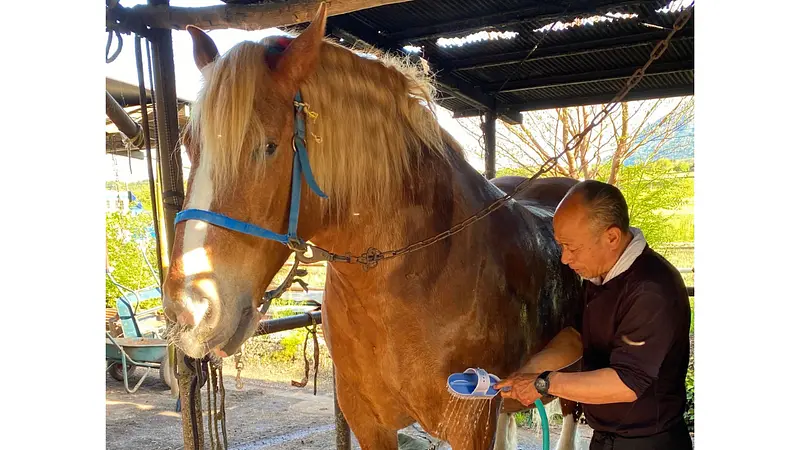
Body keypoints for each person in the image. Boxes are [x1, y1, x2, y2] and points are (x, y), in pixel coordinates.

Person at [495, 180, 692, 449]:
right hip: (604, 437)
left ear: (611, 237)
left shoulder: (651, 290)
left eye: (572, 248)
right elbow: (576, 337)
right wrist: (528, 371)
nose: (565, 259)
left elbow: (626, 383)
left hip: (647, 441)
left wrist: (544, 383)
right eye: (561, 246)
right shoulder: (599, 274)